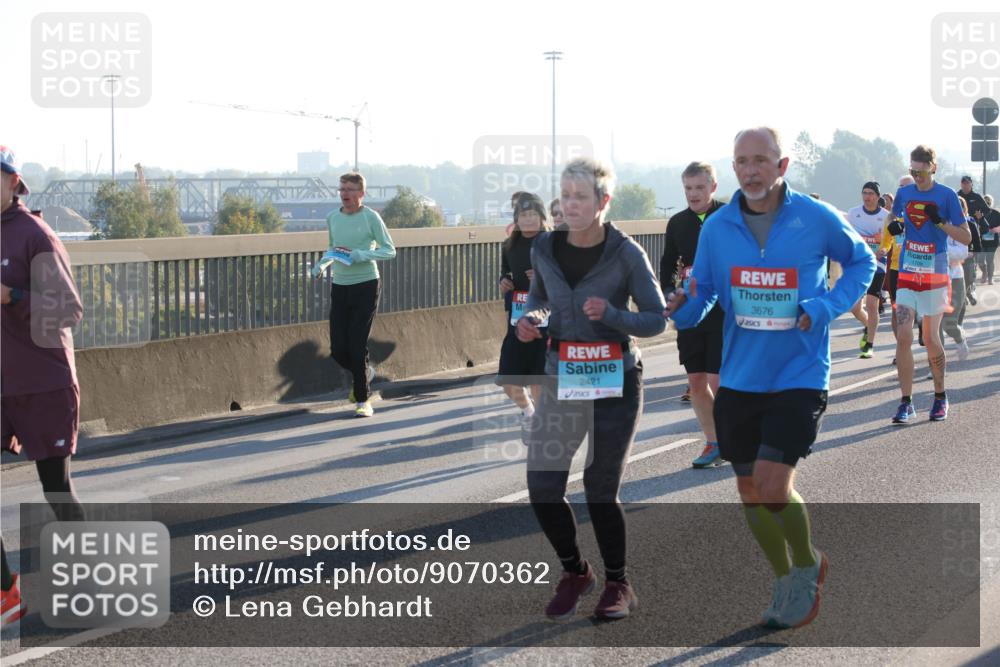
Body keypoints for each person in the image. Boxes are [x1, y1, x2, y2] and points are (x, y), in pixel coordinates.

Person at [665, 127, 875, 629]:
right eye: (742, 161)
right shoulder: (717, 229)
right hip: (740, 376)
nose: (751, 169)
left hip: (799, 373)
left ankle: (806, 563)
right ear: (733, 169)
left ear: (781, 167)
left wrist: (823, 307)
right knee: (746, 489)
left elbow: (863, 262)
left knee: (772, 483)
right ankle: (784, 575)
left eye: (761, 160)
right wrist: (683, 308)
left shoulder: (815, 217)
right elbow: (705, 293)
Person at [516, 157, 665, 620]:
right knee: (542, 485)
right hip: (563, 374)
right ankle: (576, 571)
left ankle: (619, 583)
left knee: (600, 487)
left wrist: (614, 315)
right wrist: (533, 319)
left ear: (604, 201)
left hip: (615, 379)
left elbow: (657, 317)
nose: (570, 205)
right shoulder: (544, 246)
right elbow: (542, 298)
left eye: (581, 197)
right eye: (565, 196)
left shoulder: (626, 253)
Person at [1, 145, 87, 625]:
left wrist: (11, 294)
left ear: (14, 182)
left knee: (56, 490)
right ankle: (6, 596)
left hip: (43, 381)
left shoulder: (36, 235)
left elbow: (69, 311)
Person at [888, 145, 971, 424]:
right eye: (913, 171)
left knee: (931, 337)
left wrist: (940, 223)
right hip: (909, 271)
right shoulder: (905, 192)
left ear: (933, 168)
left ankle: (939, 396)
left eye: (921, 172)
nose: (917, 177)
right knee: (903, 335)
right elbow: (893, 216)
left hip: (935, 273)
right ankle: (906, 402)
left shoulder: (947, 195)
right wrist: (894, 225)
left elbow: (967, 237)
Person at [659, 161, 726, 467]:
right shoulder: (677, 223)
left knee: (718, 381)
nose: (693, 194)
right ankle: (713, 443)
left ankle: (735, 439)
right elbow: (667, 264)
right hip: (690, 313)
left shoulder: (728, 217)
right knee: (696, 381)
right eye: (688, 188)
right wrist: (667, 295)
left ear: (713, 187)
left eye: (700, 187)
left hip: (724, 311)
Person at [324, 172, 396, 418]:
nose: (345, 193)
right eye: (342, 189)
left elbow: (390, 250)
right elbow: (332, 247)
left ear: (361, 193)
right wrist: (323, 263)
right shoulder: (332, 217)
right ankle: (364, 372)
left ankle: (363, 400)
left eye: (350, 189)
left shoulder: (371, 217)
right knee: (337, 349)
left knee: (356, 344)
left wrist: (363, 255)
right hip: (340, 285)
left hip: (366, 284)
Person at [497, 193, 551, 421]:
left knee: (538, 380)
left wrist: (541, 277)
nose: (528, 220)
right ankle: (530, 413)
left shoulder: (552, 243)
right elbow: (505, 274)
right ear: (516, 219)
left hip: (546, 321)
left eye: (533, 215)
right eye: (523, 215)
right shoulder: (509, 246)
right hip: (517, 321)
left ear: (541, 217)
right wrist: (503, 283)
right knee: (508, 380)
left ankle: (540, 424)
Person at [845, 182, 889, 358]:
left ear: (878, 197)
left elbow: (889, 242)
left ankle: (869, 344)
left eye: (871, 193)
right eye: (864, 193)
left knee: (872, 305)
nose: (867, 197)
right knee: (855, 308)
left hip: (878, 265)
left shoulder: (886, 216)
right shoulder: (853, 213)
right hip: (857, 264)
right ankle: (868, 326)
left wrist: (883, 248)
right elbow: (845, 234)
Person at [979, 194, 999, 284]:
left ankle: (990, 278)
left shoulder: (996, 213)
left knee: (989, 260)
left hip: (993, 240)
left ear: (991, 203)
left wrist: (995, 229)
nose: (987, 204)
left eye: (988, 202)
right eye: (985, 202)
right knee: (980, 260)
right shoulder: (979, 213)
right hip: (981, 241)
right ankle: (984, 272)